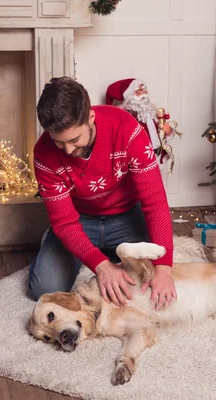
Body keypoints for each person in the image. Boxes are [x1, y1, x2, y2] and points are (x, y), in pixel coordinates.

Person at [29, 76, 176, 310]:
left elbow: (155, 202)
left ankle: (113, 251)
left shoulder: (127, 130)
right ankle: (64, 242)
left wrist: (164, 267)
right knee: (43, 288)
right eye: (59, 142)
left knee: (155, 276)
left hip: (127, 216)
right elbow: (65, 222)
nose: (68, 150)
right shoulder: (43, 154)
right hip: (79, 221)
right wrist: (100, 265)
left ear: (90, 118)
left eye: (74, 140)